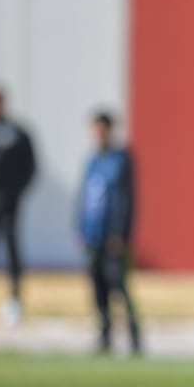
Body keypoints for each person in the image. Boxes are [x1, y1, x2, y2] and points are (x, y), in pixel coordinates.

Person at [77, 110, 141, 355]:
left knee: (119, 287)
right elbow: (84, 198)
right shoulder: (92, 160)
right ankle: (104, 337)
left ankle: (135, 337)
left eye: (102, 129)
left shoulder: (121, 160)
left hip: (112, 237)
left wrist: (121, 234)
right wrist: (80, 229)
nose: (99, 134)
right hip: (92, 234)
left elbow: (127, 200)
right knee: (98, 289)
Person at [0, 81, 37, 325]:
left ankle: (14, 301)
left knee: (10, 252)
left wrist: (13, 195)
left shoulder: (15, 133)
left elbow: (30, 169)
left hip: (6, 206)